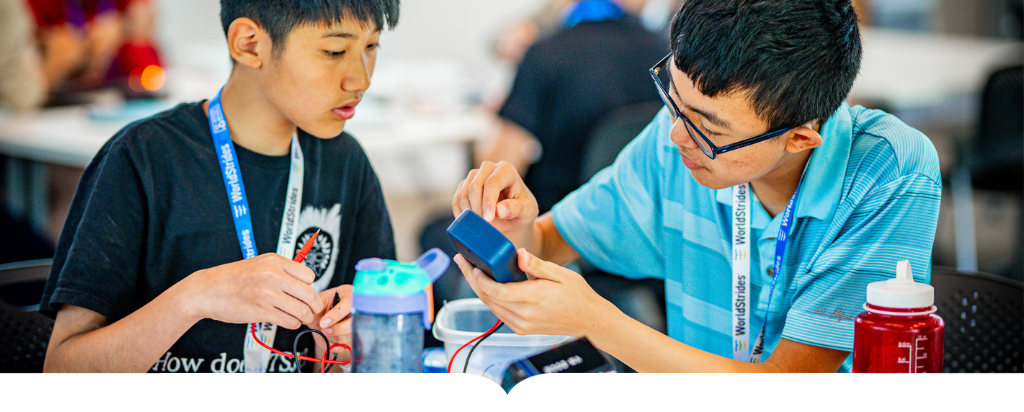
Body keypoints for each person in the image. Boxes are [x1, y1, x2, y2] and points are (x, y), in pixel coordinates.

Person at [451, 0, 941, 373]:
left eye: (710, 128)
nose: (675, 135)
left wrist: (594, 321)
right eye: (673, 97)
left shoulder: (888, 171)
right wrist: (514, 229)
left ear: (798, 138)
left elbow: (791, 389)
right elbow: (546, 243)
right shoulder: (675, 147)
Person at [40, 0, 399, 373]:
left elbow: (375, 347)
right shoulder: (145, 158)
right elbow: (62, 372)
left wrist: (364, 335)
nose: (360, 79)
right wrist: (194, 298)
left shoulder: (346, 163)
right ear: (249, 43)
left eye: (371, 47)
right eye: (334, 51)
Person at [422, 0, 669, 343]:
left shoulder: (545, 54)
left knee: (438, 229)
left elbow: (499, 163)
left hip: (555, 227)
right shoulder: (667, 52)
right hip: (644, 235)